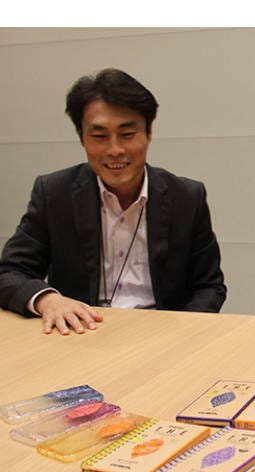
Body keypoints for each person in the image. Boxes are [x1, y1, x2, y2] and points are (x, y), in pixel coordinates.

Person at [0, 68, 226, 335]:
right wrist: (49, 300)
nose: (114, 150)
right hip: (82, 334)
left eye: (127, 134)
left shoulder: (186, 197)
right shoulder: (54, 193)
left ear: (149, 132)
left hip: (163, 335)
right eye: (99, 136)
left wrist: (180, 332)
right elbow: (9, 272)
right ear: (82, 138)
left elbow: (209, 286)